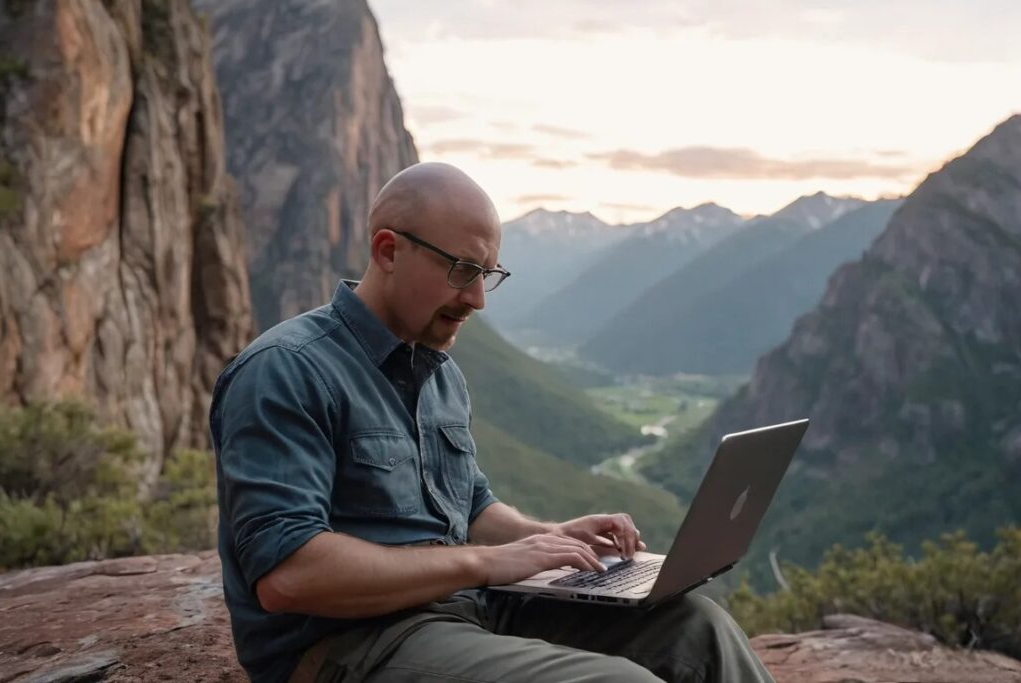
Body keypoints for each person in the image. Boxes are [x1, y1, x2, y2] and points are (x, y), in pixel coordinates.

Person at [210, 162, 775, 683]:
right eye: (461, 270)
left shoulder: (439, 374)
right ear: (387, 251)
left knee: (700, 629)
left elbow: (471, 508)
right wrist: (488, 564)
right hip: (348, 645)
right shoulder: (286, 371)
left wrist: (550, 536)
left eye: (488, 273)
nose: (478, 298)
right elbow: (290, 576)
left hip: (467, 611)